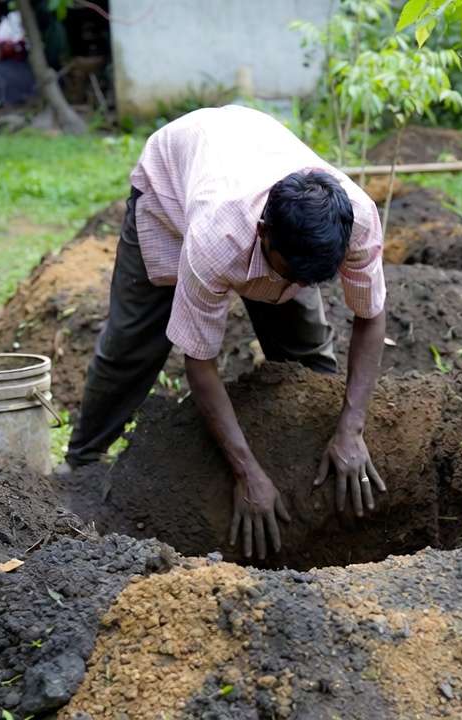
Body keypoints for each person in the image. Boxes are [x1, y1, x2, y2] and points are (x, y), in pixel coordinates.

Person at [59, 105, 388, 559]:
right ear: (265, 235)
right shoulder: (215, 240)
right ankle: (83, 463)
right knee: (133, 344)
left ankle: (321, 461)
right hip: (171, 191)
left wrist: (351, 427)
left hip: (245, 154)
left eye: (310, 279)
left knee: (306, 352)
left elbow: (371, 315)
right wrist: (247, 473)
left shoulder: (357, 220)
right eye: (288, 273)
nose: (295, 286)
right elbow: (199, 362)